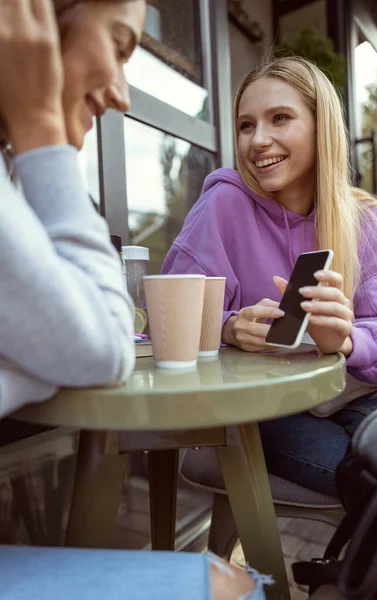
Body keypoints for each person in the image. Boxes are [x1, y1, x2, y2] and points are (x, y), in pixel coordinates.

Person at [0, 1, 268, 598]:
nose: (122, 93)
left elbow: (90, 334)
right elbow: (103, 341)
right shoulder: (219, 205)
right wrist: (44, 129)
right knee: (230, 587)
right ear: (32, 23)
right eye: (120, 47)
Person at [162, 56, 377, 497]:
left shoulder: (364, 221)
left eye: (281, 118)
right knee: (375, 483)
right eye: (246, 125)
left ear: (320, 126)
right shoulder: (223, 206)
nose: (258, 140)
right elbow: (168, 316)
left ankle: (340, 568)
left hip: (361, 395)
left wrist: (346, 340)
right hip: (269, 408)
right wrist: (230, 327)